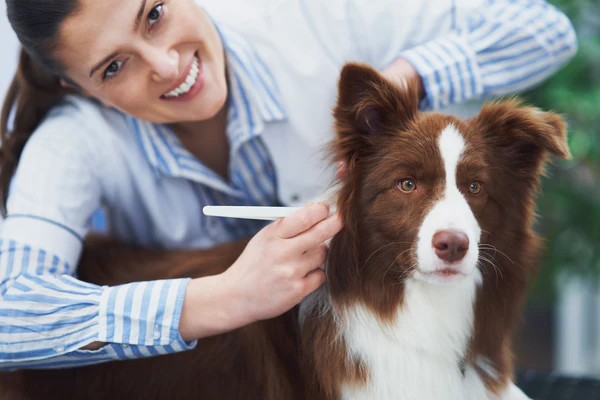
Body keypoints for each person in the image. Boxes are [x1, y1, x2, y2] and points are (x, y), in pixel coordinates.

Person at [0, 0, 576, 372]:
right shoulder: (75, 141)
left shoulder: (316, 21)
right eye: (113, 67)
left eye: (154, 14)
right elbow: (9, 313)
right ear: (75, 86)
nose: (167, 65)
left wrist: (407, 83)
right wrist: (217, 299)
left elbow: (544, 28)